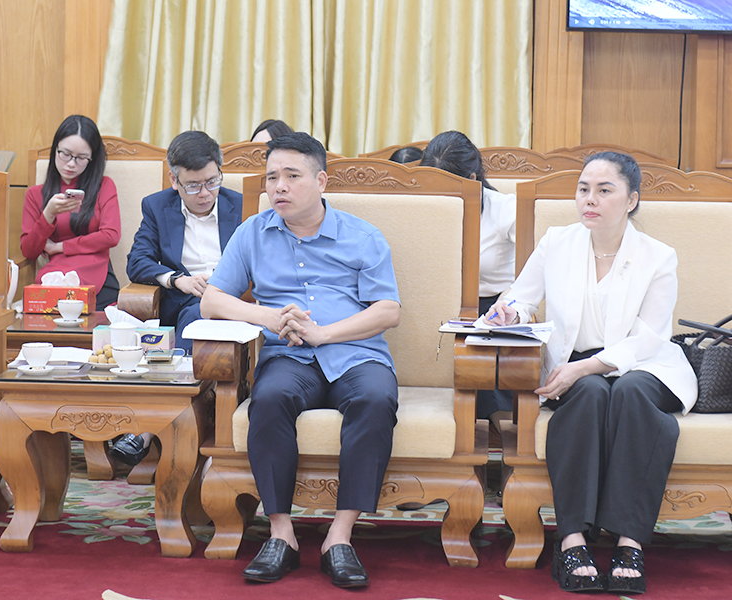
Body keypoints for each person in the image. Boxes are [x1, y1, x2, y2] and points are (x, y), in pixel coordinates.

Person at [486, 152, 697, 594]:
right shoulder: (557, 242)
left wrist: (584, 368)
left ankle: (630, 542)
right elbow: (522, 298)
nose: (590, 199)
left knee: (630, 392)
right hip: (575, 365)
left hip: (645, 365)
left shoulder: (658, 256)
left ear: (631, 200)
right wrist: (509, 313)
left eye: (604, 190)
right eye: (583, 189)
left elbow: (648, 338)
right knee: (590, 394)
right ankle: (572, 540)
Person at [201, 132, 401, 588]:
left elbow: (388, 310)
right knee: (269, 399)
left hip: (356, 354)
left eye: (292, 176)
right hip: (288, 355)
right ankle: (281, 534)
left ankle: (340, 536)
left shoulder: (362, 236)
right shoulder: (252, 233)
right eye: (272, 177)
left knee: (375, 399)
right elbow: (212, 300)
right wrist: (269, 317)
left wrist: (324, 333)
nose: (279, 187)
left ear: (321, 181)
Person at [117, 131, 243, 466]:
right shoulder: (157, 207)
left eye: (212, 181)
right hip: (185, 302)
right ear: (174, 180)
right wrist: (178, 280)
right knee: (193, 316)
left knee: (198, 318)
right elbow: (137, 261)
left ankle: (147, 429)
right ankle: (182, 432)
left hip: (236, 302)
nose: (205, 193)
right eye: (193, 185)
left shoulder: (242, 206)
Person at [421, 130, 516, 421]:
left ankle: (493, 429)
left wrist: (508, 303)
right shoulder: (422, 205)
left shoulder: (505, 210)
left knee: (479, 354)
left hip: (493, 306)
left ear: (473, 179)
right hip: (437, 303)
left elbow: (536, 267)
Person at [21, 115, 121, 310]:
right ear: (55, 150)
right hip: (55, 276)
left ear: (92, 159)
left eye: (81, 158)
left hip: (97, 274)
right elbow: (29, 251)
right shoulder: (35, 194)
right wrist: (48, 214)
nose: (71, 164)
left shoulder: (104, 186)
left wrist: (59, 247)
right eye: (65, 154)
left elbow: (111, 235)